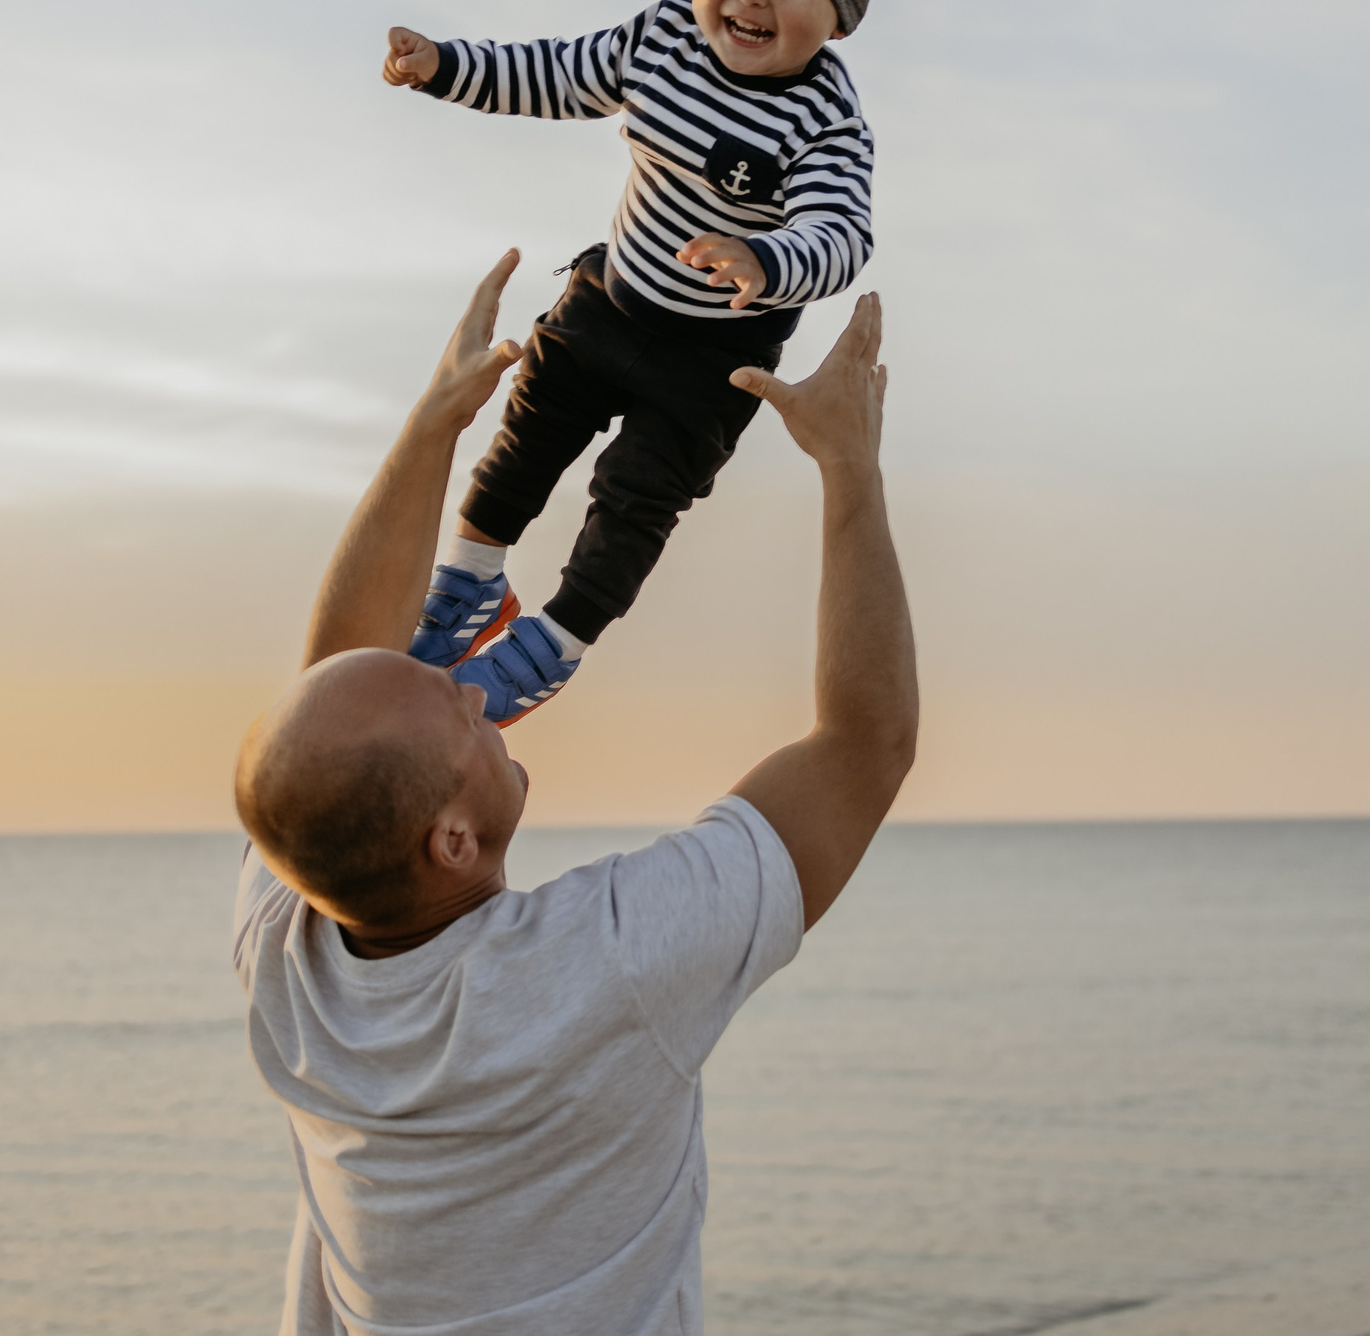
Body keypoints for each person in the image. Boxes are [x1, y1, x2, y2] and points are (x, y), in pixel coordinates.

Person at [232, 251, 917, 1335]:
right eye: (452, 711)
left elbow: (333, 686)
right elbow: (863, 746)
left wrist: (432, 432)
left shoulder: (288, 947)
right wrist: (849, 470)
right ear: (451, 842)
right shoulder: (609, 966)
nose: (473, 690)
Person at [378, 0, 889, 723]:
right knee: (525, 439)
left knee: (636, 501)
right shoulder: (660, 41)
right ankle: (465, 587)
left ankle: (556, 641)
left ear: (840, 18)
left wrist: (768, 261)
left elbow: (841, 234)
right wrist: (443, 65)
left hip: (714, 357)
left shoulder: (825, 118)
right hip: (609, 301)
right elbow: (550, 74)